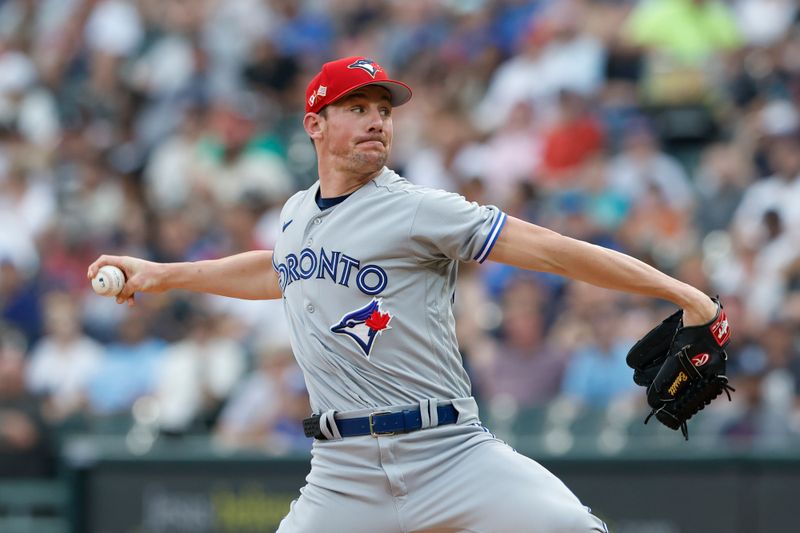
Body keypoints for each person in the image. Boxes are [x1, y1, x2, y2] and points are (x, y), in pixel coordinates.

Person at [88, 56, 722, 533]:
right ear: (315, 122)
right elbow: (279, 270)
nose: (376, 121)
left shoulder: (417, 208)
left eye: (384, 111)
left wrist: (681, 292)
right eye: (357, 108)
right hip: (341, 475)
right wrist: (163, 275)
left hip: (448, 451)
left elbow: (549, 248)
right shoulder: (294, 214)